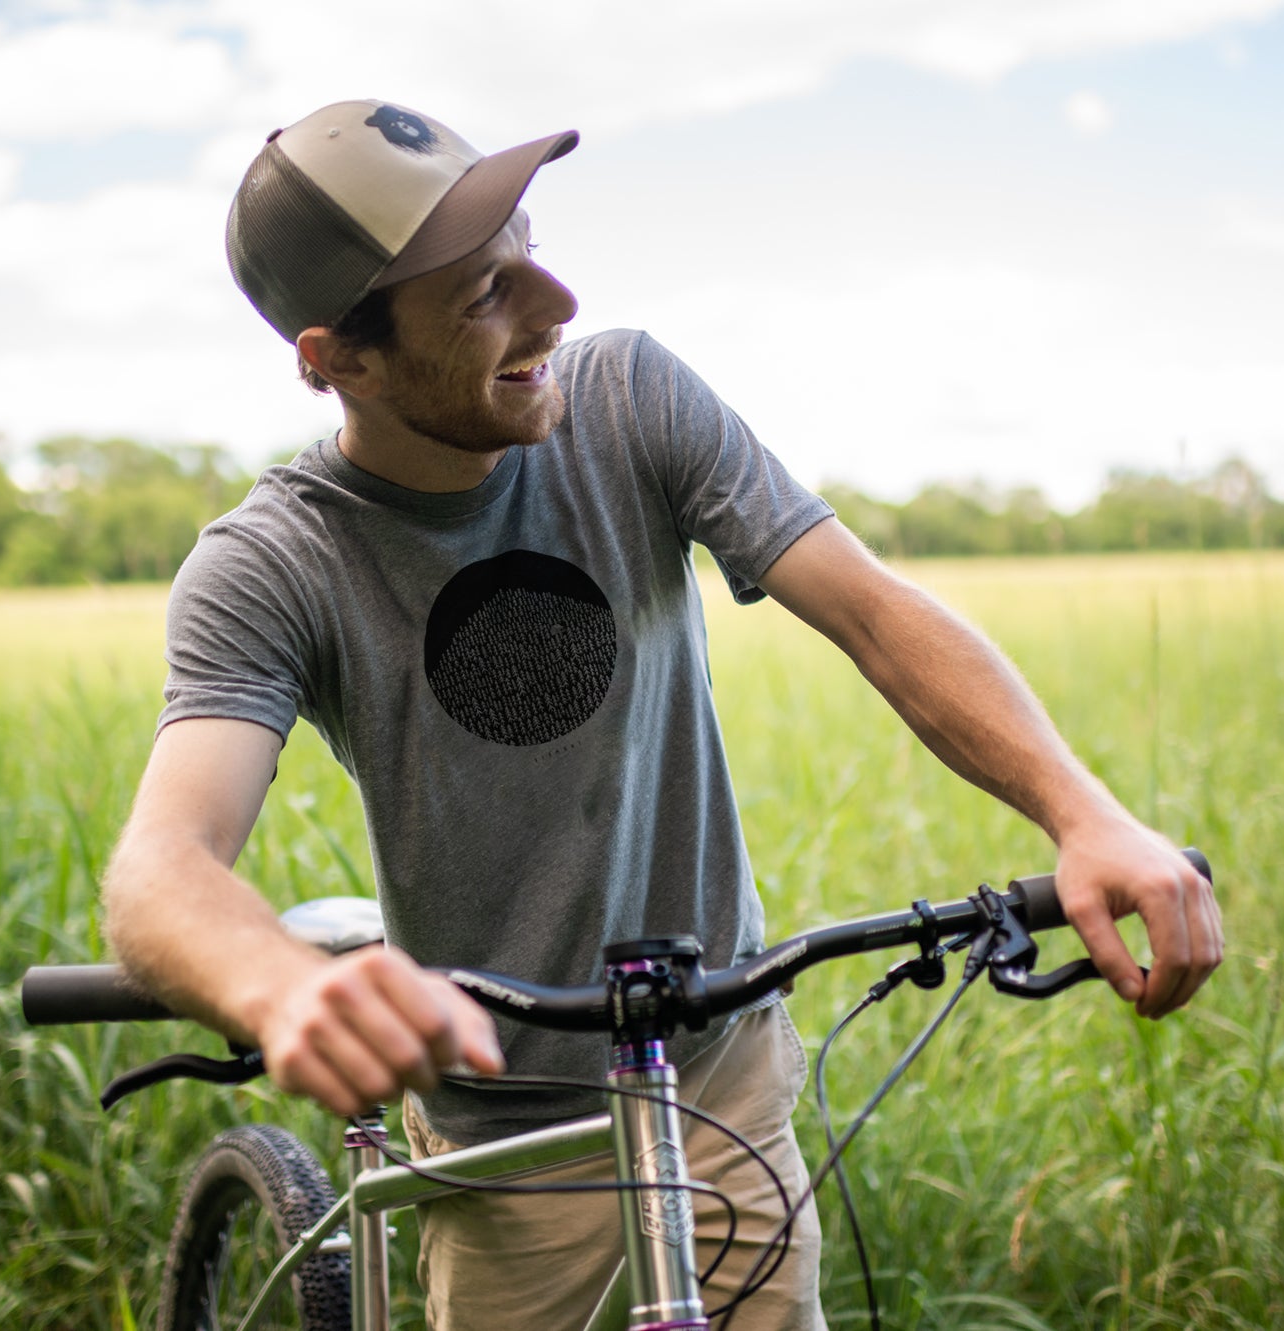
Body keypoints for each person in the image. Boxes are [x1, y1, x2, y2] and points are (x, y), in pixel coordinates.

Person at [100, 98, 1223, 1331]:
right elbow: (163, 866)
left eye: (527, 244)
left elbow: (871, 611)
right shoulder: (273, 562)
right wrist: (276, 987)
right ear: (338, 359)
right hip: (507, 1139)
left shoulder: (626, 399)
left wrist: (1082, 812)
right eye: (481, 293)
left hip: (717, 1081)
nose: (554, 304)